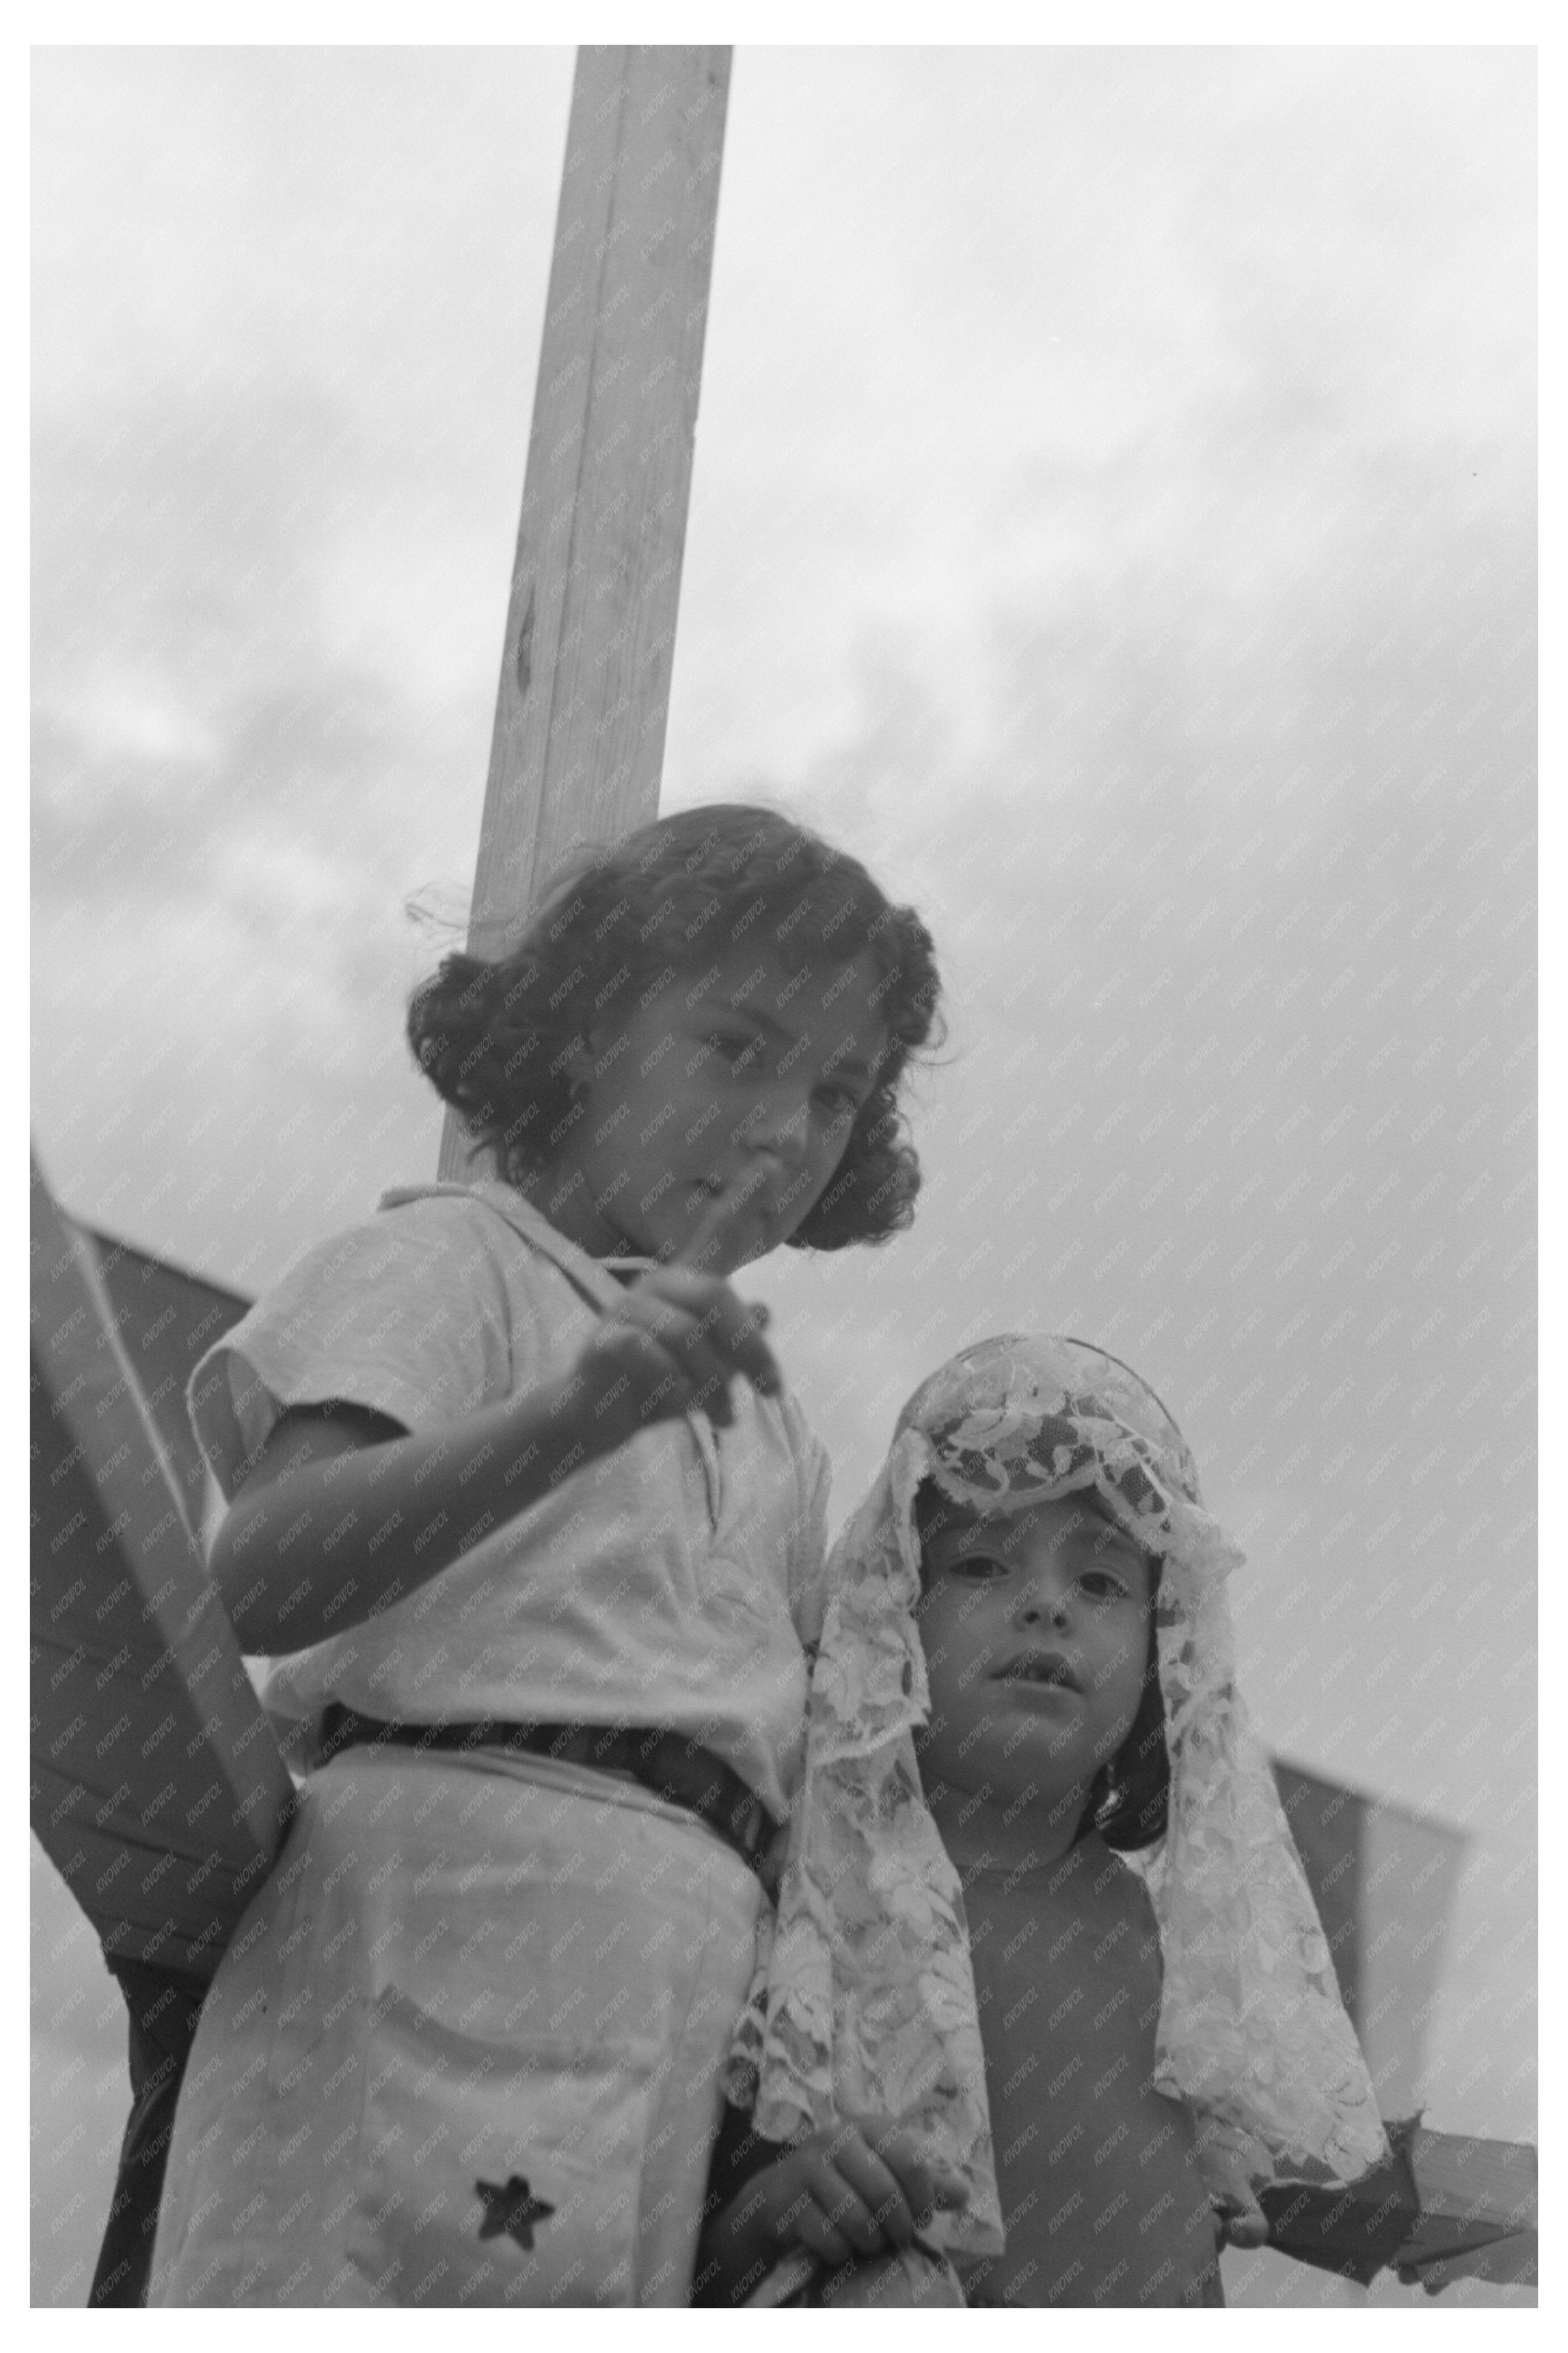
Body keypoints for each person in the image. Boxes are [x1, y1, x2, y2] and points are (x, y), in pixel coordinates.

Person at [146, 804, 942, 2308]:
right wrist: (571, 1420)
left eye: (836, 1094)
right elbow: (253, 1580)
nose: (787, 1128)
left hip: (661, 2027)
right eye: (736, 1049)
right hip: (427, 1947)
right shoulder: (452, 1264)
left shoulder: (777, 1428)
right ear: (581, 1030)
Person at [698, 1333, 1389, 2306]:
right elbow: (648, 2243)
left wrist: (1186, 2193)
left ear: (1163, 1662)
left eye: (1102, 1582)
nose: (1046, 1606)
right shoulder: (788, 1895)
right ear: (889, 1614)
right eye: (981, 1563)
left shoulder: (1186, 1968)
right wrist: (777, 2212)